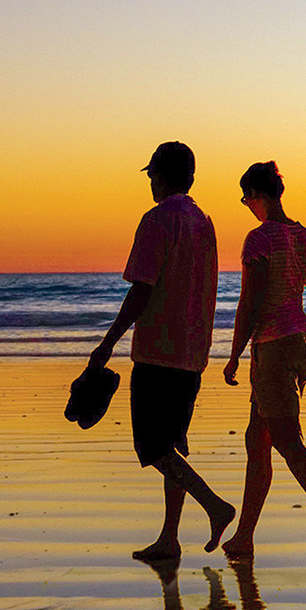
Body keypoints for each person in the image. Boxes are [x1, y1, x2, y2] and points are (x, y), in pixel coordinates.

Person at [90, 141, 238, 562]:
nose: (150, 182)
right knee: (172, 445)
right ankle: (169, 538)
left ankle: (214, 505)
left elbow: (142, 287)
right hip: (194, 350)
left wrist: (109, 341)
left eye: (152, 174)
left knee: (153, 448)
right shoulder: (203, 222)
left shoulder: (158, 220)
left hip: (158, 350)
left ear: (161, 175)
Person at [219, 160, 306, 562]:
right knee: (256, 439)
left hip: (274, 345)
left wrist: (234, 355)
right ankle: (244, 536)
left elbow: (251, 302)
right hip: (302, 342)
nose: (247, 206)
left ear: (258, 197)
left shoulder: (259, 239)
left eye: (246, 199)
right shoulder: (305, 236)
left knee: (287, 442)